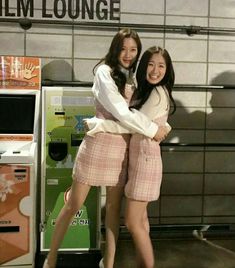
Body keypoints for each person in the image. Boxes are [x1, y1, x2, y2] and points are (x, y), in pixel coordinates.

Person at [43, 29, 170, 268]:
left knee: (112, 212)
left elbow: (138, 118)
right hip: (98, 146)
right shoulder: (104, 72)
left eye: (133, 50)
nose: (128, 54)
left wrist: (103, 124)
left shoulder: (135, 77)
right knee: (74, 204)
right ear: (115, 48)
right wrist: (153, 129)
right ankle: (50, 260)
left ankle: (108, 264)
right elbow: (123, 114)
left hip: (122, 150)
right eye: (123, 48)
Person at [85, 46, 176, 268]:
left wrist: (99, 124)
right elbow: (138, 122)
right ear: (143, 66)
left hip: (146, 162)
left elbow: (131, 124)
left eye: (161, 65)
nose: (155, 70)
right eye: (151, 64)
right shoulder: (147, 92)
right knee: (141, 222)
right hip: (140, 161)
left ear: (168, 69)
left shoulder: (157, 93)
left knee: (133, 222)